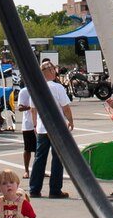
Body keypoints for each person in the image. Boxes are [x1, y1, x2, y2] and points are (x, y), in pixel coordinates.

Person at [21, 60, 76, 200]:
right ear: (51, 71)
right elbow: (65, 107)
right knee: (58, 158)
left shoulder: (36, 88)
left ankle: (34, 188)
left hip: (41, 127)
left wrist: (34, 125)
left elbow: (33, 109)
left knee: (40, 158)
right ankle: (55, 189)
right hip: (57, 127)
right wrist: (70, 120)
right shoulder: (57, 88)